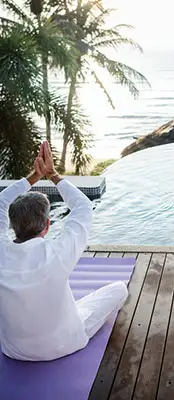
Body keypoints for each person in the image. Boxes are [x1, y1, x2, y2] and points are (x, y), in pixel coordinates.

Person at [0, 141, 128, 361]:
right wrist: (52, 175)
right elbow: (83, 206)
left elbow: (1, 202)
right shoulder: (58, 253)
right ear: (47, 225)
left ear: (12, 225)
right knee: (119, 289)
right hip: (65, 343)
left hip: (13, 350)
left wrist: (32, 178)